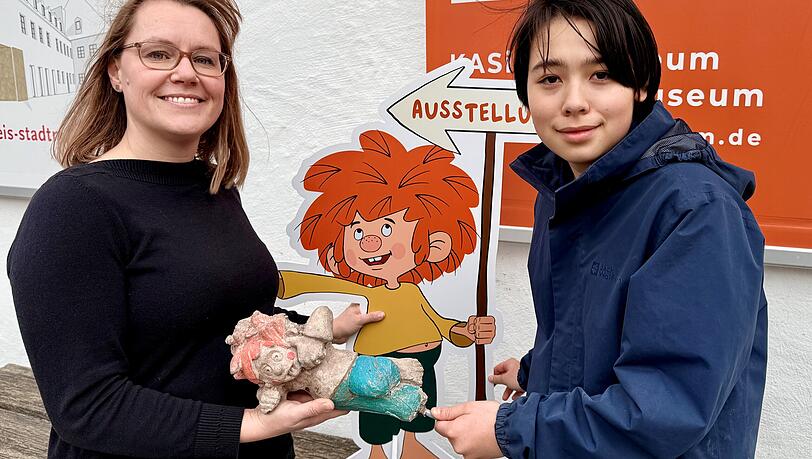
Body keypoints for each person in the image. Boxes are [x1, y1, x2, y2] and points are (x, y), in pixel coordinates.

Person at [7, 0, 381, 457]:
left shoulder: (214, 187)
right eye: (158, 54)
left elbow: (220, 321)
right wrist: (248, 425)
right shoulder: (74, 208)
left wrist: (321, 329)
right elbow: (87, 405)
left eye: (205, 59)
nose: (186, 73)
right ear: (116, 72)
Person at [431, 1, 768, 458]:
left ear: (642, 84)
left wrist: (512, 429)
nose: (573, 102)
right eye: (550, 79)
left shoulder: (696, 209)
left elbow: (666, 407)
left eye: (601, 74)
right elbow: (592, 331)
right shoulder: (567, 186)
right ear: (525, 93)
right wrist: (536, 374)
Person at [277, 130, 496, 459]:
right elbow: (310, 282)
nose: (369, 242)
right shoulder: (361, 289)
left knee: (419, 408)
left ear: (436, 243)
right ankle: (376, 451)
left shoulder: (411, 291)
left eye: (388, 228)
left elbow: (439, 323)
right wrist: (276, 281)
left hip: (425, 359)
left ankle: (411, 448)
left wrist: (465, 331)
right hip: (374, 362)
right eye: (358, 230)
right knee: (375, 410)